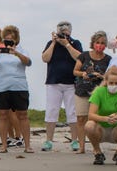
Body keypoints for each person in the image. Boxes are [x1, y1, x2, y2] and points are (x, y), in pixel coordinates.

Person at [0, 25, 33, 153]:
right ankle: (4, 145)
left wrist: (16, 53)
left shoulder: (22, 50)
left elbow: (28, 62)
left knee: (23, 115)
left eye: (11, 39)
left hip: (19, 86)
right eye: (6, 39)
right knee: (2, 115)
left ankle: (27, 145)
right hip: (0, 86)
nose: (8, 42)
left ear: (16, 39)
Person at [41, 21, 83, 152]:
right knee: (51, 110)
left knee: (72, 112)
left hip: (71, 83)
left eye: (66, 30)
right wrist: (54, 42)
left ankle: (75, 141)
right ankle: (48, 140)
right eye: (61, 31)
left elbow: (80, 58)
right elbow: (45, 58)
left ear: (70, 31)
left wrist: (67, 45)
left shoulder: (75, 43)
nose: (64, 33)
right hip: (54, 82)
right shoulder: (51, 43)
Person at [85, 67, 117, 165]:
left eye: (116, 83)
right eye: (111, 83)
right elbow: (91, 115)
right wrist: (105, 119)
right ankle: (98, 152)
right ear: (106, 81)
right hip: (100, 130)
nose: (114, 85)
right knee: (89, 125)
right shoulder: (99, 92)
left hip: (116, 130)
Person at [73, 31, 111, 154]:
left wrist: (101, 76)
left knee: (95, 120)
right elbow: (75, 71)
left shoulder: (108, 59)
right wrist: (83, 74)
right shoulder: (84, 56)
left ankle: (96, 147)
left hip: (99, 93)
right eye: (98, 42)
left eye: (103, 43)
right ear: (93, 43)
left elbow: (111, 76)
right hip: (82, 91)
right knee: (80, 118)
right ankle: (82, 147)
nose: (100, 45)